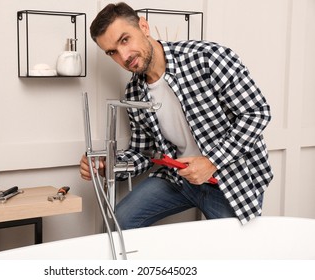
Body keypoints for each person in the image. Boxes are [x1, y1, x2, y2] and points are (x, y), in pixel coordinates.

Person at [80, 2, 273, 229]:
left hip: (230, 177)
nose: (124, 56)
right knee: (121, 220)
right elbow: (143, 152)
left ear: (143, 27)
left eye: (125, 39)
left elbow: (256, 112)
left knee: (232, 256)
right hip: (179, 178)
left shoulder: (207, 58)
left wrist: (212, 162)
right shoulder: (134, 92)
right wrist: (108, 165)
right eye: (112, 52)